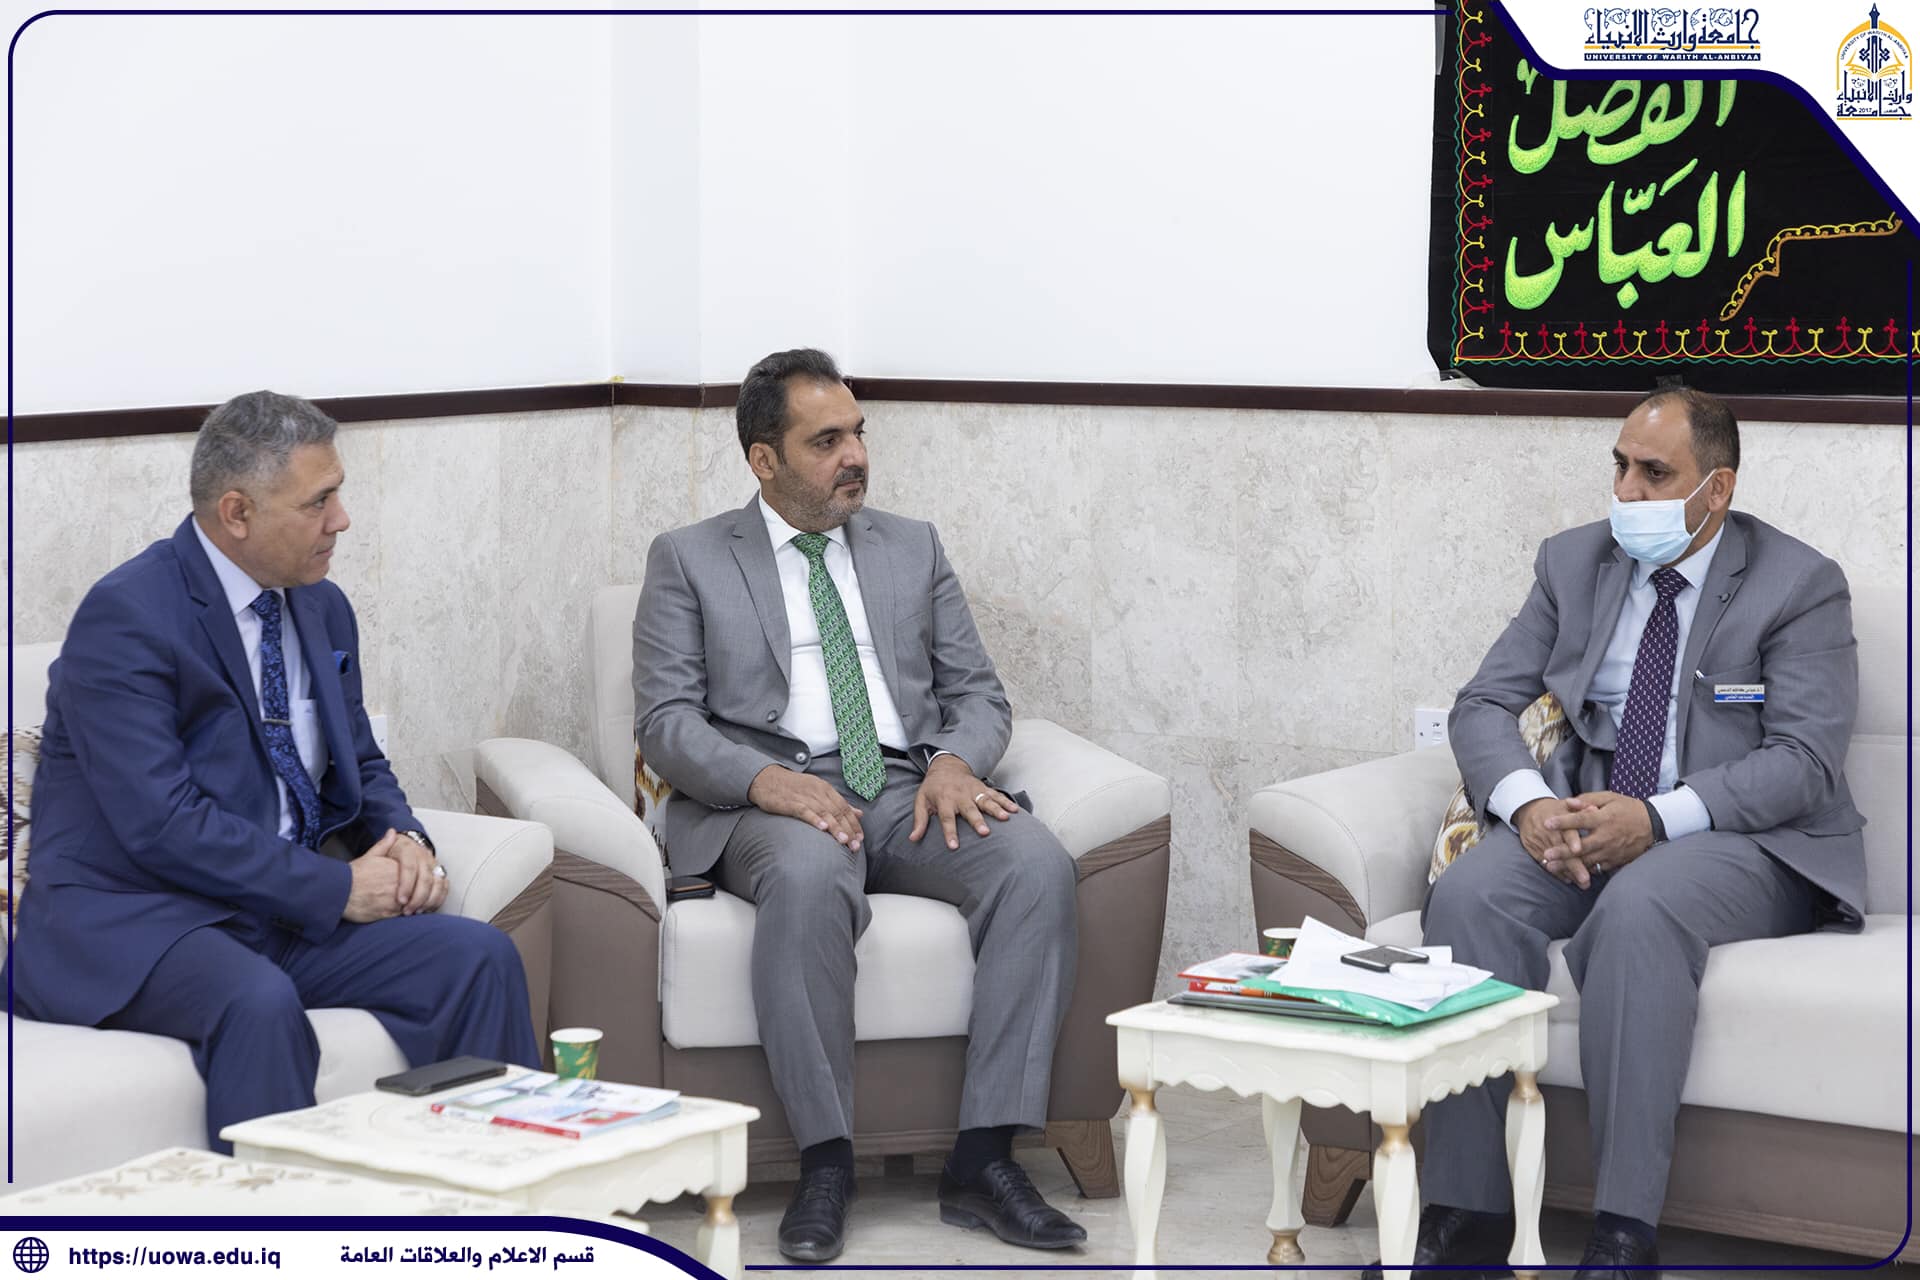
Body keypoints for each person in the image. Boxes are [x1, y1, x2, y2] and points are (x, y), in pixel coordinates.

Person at [1365, 388, 1863, 1280]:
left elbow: (1804, 760)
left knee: (1640, 908)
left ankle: (1623, 1234)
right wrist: (1529, 806)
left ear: (1717, 489)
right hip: (1587, 823)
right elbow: (1484, 703)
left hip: (1744, 842)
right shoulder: (1574, 563)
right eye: (1621, 466)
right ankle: (1468, 1211)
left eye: (1654, 473)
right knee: (1472, 894)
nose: (1627, 491)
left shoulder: (1798, 585)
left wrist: (1658, 818)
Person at [633, 348, 1085, 1262]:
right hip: (768, 800)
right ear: (764, 459)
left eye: (858, 434)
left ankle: (984, 1160)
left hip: (904, 786)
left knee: (1035, 863)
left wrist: (954, 761)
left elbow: (978, 693)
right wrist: (765, 782)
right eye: (827, 441)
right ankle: (826, 1163)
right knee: (810, 872)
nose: (856, 457)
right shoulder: (689, 558)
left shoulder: (912, 546)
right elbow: (666, 722)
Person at [7, 390, 540, 1151]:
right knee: (256, 1001)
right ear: (237, 513)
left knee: (477, 958)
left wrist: (407, 841)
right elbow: (162, 823)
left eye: (338, 494)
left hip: (275, 913)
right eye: (318, 502)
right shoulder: (127, 617)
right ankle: (277, 1217)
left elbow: (360, 761)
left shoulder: (320, 606)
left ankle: (494, 1203)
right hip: (143, 920)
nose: (341, 520)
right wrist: (337, 888)